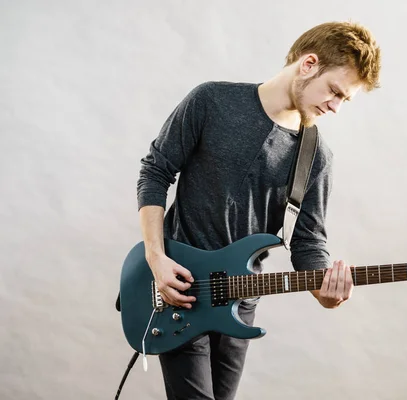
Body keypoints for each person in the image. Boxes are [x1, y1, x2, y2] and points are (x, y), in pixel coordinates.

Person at [136, 20, 381, 400]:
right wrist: (156, 258)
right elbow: (156, 171)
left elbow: (307, 242)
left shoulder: (316, 156)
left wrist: (324, 292)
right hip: (180, 287)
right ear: (308, 63)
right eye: (334, 91)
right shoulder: (212, 101)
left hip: (240, 301)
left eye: (344, 100)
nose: (335, 107)